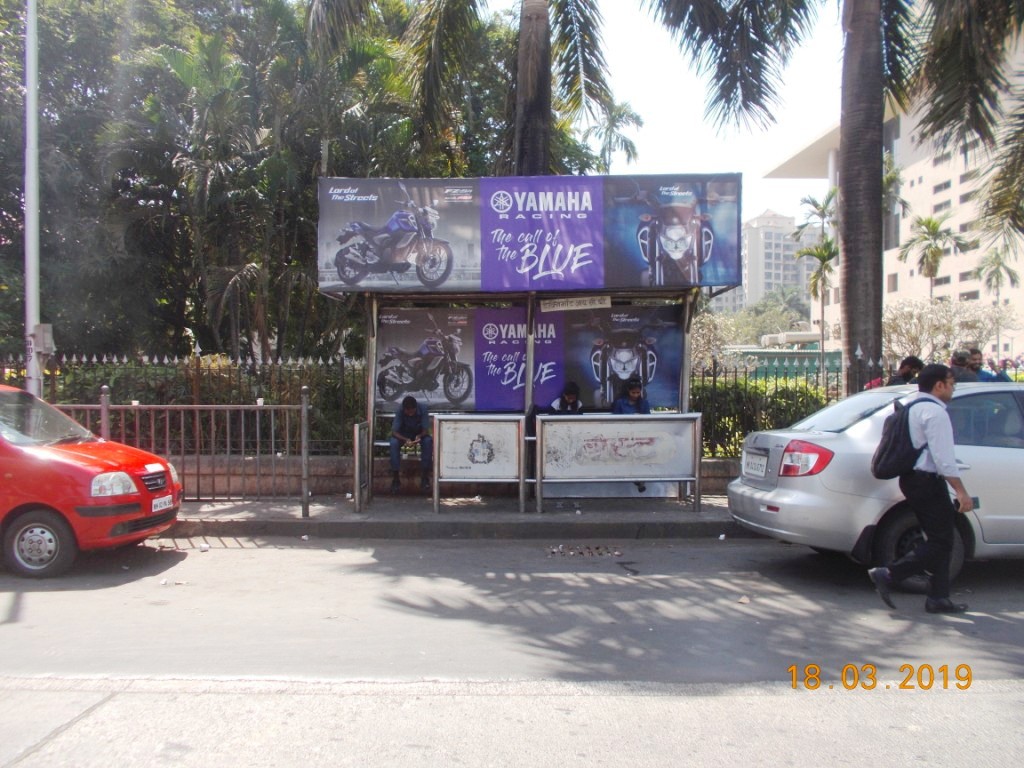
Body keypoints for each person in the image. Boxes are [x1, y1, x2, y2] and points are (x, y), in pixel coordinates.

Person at [868, 364, 975, 614]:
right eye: (951, 382)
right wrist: (961, 491)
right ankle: (889, 574)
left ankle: (938, 597)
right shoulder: (935, 413)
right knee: (941, 541)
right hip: (926, 481)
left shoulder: (914, 407)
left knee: (941, 537)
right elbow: (944, 458)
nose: (953, 387)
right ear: (939, 385)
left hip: (915, 480)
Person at [611, 377, 651, 492]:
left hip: (640, 436)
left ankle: (640, 479)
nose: (635, 395)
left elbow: (649, 420)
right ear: (628, 391)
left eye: (638, 393)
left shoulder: (644, 403)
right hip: (623, 436)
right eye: (633, 392)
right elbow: (615, 421)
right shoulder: (619, 403)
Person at [390, 395, 433, 493]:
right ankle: (395, 478)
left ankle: (425, 477)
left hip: (419, 434)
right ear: (404, 409)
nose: (409, 414)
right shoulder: (400, 410)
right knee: (393, 443)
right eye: (407, 412)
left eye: (412, 412)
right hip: (403, 435)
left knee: (428, 441)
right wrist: (406, 439)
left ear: (415, 408)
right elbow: (394, 432)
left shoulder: (423, 409)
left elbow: (426, 430)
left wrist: (419, 436)